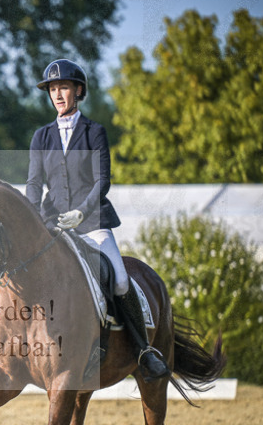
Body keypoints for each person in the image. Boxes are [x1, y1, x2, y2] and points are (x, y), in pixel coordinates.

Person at [25, 59, 170, 381]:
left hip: (92, 222)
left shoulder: (94, 132)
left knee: (119, 279)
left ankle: (143, 349)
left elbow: (101, 180)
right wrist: (33, 217)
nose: (58, 94)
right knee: (25, 274)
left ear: (78, 91)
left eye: (63, 87)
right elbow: (34, 184)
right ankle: (11, 352)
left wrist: (82, 212)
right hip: (53, 223)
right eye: (52, 89)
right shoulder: (41, 136)